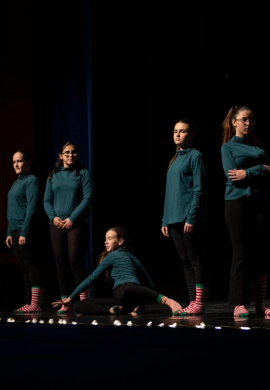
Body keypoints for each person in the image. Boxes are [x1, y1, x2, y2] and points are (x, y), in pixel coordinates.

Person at [221, 105, 270, 317]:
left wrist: (249, 172)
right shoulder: (227, 147)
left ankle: (261, 304)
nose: (248, 123)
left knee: (259, 254)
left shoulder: (258, 146)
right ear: (234, 122)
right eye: (244, 119)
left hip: (258, 202)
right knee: (241, 253)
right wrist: (259, 170)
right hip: (237, 203)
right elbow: (233, 176)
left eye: (251, 119)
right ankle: (239, 303)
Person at [52, 226, 182, 315]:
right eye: (105, 239)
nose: (106, 242)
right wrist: (140, 304)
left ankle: (167, 300)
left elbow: (91, 278)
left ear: (120, 241)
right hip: (122, 300)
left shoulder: (113, 255)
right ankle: (112, 310)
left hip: (127, 290)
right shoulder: (129, 256)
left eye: (110, 239)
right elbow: (148, 282)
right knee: (78, 305)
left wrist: (70, 297)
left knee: (127, 287)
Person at [161, 119, 208, 315]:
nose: (178, 134)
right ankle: (192, 302)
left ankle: (199, 302)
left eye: (182, 131)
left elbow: (199, 189)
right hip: (173, 218)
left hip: (187, 217)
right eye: (175, 131)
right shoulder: (174, 160)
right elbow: (169, 192)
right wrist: (165, 219)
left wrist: (191, 217)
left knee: (195, 259)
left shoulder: (195, 156)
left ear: (192, 135)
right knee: (185, 261)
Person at [44, 141, 94, 314]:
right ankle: (66, 301)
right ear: (61, 156)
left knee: (75, 261)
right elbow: (46, 201)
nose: (70, 155)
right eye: (67, 153)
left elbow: (88, 198)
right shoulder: (53, 176)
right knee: (60, 262)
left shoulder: (83, 173)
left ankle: (85, 301)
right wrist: (53, 218)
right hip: (57, 224)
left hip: (76, 224)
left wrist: (72, 218)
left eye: (73, 152)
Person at [6, 150, 46, 313]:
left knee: (32, 266)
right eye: (14, 162)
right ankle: (29, 302)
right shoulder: (16, 183)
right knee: (24, 267)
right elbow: (12, 209)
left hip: (25, 230)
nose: (16, 164)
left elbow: (32, 207)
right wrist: (9, 232)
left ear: (28, 163)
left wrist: (24, 231)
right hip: (15, 230)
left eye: (19, 161)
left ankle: (36, 303)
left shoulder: (32, 181)